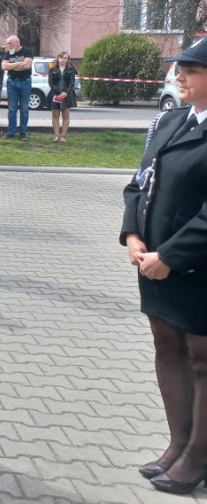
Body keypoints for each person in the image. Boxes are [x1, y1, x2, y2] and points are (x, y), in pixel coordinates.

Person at [122, 38, 207, 495]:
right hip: (154, 264)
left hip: (195, 271)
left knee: (202, 361)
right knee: (167, 349)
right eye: (180, 68)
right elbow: (138, 185)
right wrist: (133, 235)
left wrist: (170, 256)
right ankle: (178, 444)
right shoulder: (171, 120)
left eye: (191, 69)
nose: (180, 76)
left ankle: (199, 456)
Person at [1, 34, 34, 140]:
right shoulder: (7, 54)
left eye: (10, 43)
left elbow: (27, 66)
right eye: (7, 44)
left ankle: (23, 132)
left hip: (25, 82)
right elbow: (4, 67)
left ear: (17, 42)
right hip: (12, 83)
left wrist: (12, 66)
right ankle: (11, 132)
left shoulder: (27, 51)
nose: (8, 45)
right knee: (12, 109)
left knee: (24, 108)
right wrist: (19, 64)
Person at [48, 51, 77, 142]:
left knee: (66, 115)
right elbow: (51, 83)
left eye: (65, 58)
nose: (63, 60)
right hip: (55, 94)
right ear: (58, 58)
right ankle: (56, 135)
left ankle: (63, 136)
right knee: (55, 115)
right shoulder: (52, 69)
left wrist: (66, 93)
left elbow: (72, 83)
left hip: (67, 95)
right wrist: (58, 92)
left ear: (68, 60)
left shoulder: (71, 69)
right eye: (61, 57)